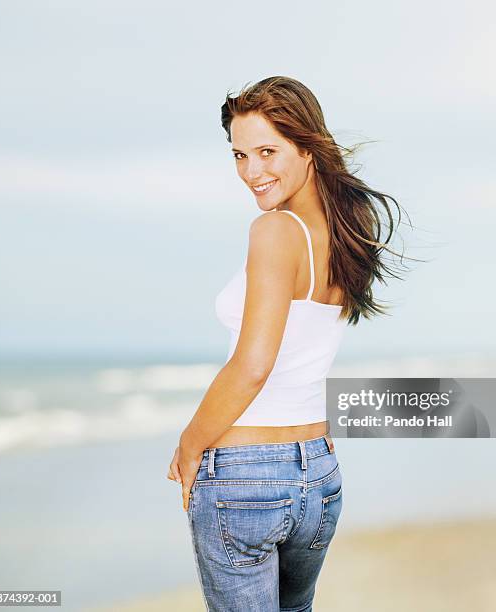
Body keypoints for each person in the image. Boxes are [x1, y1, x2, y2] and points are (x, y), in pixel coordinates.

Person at [167, 76, 407, 611]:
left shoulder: (276, 231)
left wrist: (189, 446)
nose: (252, 172)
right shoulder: (346, 233)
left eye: (268, 151)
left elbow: (253, 365)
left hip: (246, 479)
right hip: (318, 475)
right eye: (239, 155)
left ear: (308, 149)